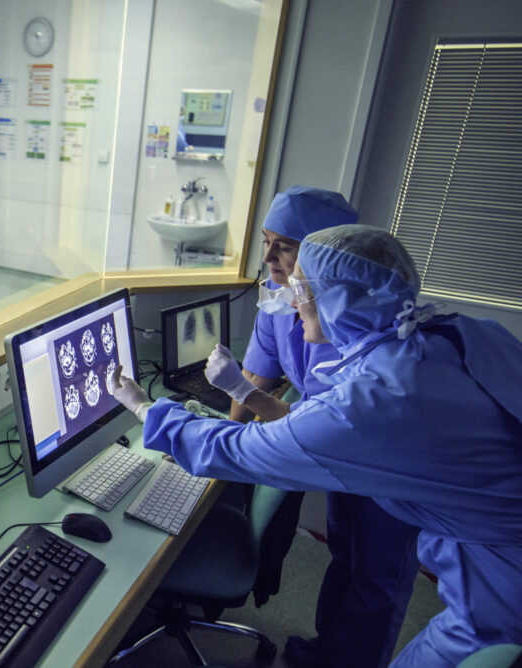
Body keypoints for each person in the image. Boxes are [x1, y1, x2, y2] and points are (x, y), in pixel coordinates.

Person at [112, 225, 522, 668]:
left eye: (301, 288)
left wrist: (145, 409)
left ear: (340, 300)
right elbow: (318, 428)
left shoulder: (379, 398)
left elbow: (248, 449)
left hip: (503, 584)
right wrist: (244, 392)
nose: (291, 298)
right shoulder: (443, 335)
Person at [205, 187, 420, 668]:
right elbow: (257, 376)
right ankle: (328, 651)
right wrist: (222, 438)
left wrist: (212, 441)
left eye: (284, 245)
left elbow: (318, 427)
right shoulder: (282, 302)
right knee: (346, 555)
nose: (270, 258)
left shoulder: (350, 321)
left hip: (387, 460)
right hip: (337, 448)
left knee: (377, 576)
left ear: (323, 254)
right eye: (265, 241)